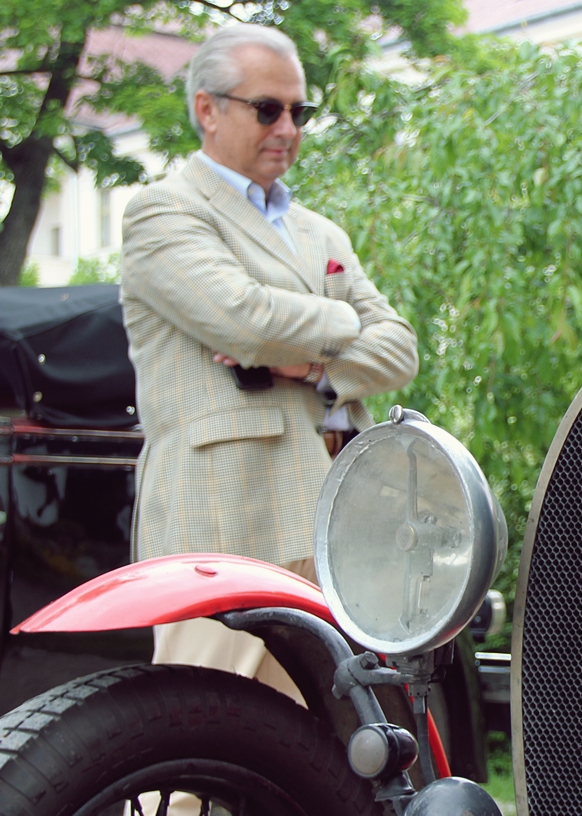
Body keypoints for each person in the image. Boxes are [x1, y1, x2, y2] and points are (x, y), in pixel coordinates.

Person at [121, 22, 418, 701]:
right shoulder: (163, 212)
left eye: (300, 111)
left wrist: (315, 368)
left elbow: (399, 346)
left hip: (335, 516)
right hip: (222, 516)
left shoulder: (321, 232)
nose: (288, 127)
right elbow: (246, 322)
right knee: (197, 742)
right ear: (206, 108)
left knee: (309, 763)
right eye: (267, 108)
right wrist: (343, 320)